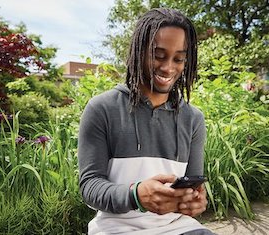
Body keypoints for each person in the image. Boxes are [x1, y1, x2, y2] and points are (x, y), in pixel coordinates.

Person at [78, 8, 215, 235]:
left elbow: (193, 186)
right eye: (158, 55)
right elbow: (90, 186)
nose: (168, 67)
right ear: (138, 52)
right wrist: (136, 195)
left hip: (178, 227)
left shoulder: (193, 119)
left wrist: (195, 202)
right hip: (116, 229)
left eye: (179, 59)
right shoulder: (102, 108)